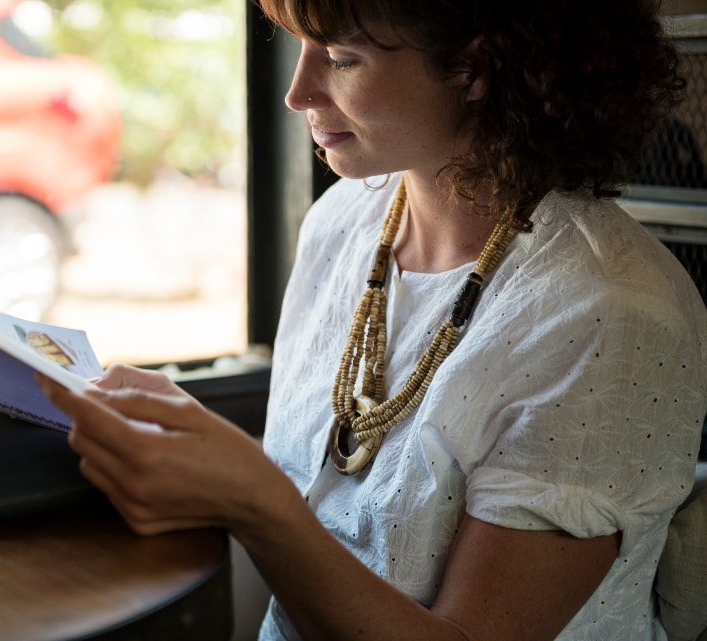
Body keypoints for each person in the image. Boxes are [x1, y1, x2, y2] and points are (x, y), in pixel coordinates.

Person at [36, 1, 707, 639]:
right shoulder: (342, 222)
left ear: (477, 69)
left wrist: (254, 500)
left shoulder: (611, 314)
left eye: (340, 58)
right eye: (299, 49)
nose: (298, 93)